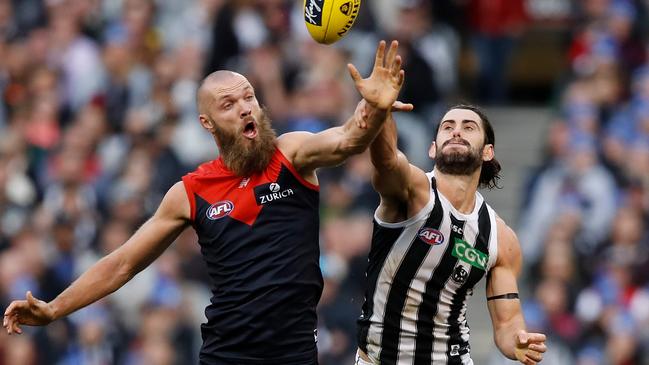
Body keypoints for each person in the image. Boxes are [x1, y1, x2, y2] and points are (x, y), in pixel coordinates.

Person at [3, 40, 412, 365]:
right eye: (229, 104)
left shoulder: (292, 155)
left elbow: (349, 139)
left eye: (249, 97)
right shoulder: (191, 191)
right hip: (226, 356)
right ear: (208, 123)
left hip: (296, 354)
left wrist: (375, 107)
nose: (245, 107)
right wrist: (55, 309)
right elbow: (123, 262)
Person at [355, 104, 547, 364]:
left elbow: (508, 322)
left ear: (488, 152)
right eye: (448, 127)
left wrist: (516, 342)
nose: (456, 132)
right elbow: (387, 162)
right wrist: (380, 112)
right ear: (433, 148)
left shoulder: (500, 237)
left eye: (469, 127)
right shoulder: (413, 191)